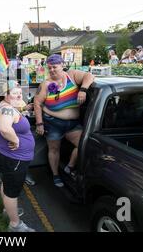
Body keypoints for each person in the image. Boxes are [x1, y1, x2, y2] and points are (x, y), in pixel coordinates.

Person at [34, 54, 94, 187]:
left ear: (62, 65)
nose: (52, 70)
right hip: (52, 123)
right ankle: (56, 175)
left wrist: (83, 90)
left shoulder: (71, 75)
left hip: (72, 125)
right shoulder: (46, 84)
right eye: (49, 68)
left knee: (84, 146)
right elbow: (37, 103)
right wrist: (39, 123)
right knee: (54, 149)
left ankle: (70, 166)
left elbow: (89, 76)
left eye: (55, 67)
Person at [0, 80, 35, 232]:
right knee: (12, 191)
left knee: (7, 183)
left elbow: (20, 102)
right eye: (14, 93)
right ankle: (15, 224)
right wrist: (16, 140)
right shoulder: (7, 110)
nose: (19, 95)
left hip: (8, 156)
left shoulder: (6, 105)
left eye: (19, 92)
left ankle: (8, 210)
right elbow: (4, 128)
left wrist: (17, 98)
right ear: (5, 95)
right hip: (15, 158)